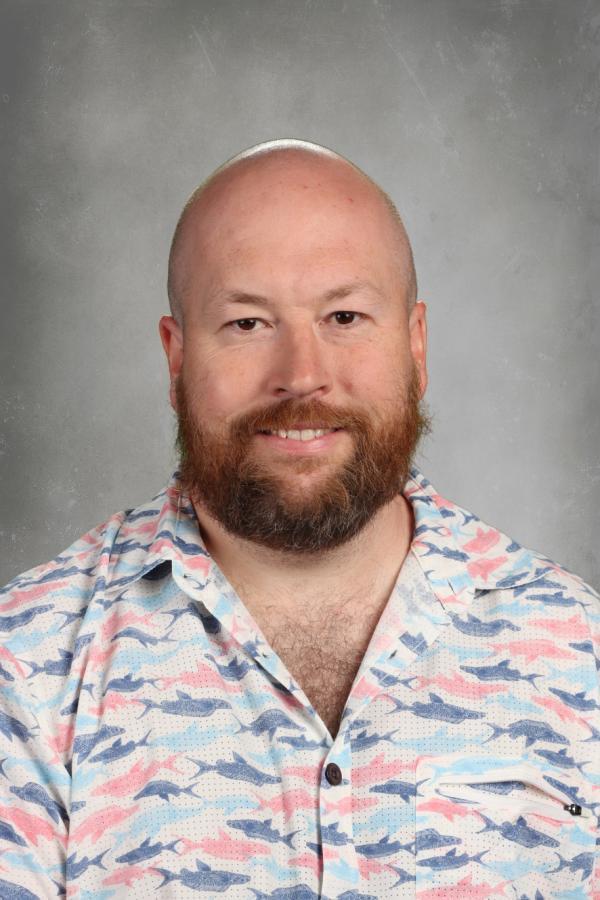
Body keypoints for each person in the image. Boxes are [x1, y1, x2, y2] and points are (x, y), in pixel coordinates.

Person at [0, 140, 597, 899]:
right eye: (248, 324)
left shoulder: (579, 652)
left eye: (344, 316)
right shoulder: (27, 669)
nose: (302, 375)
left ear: (416, 345)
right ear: (176, 358)